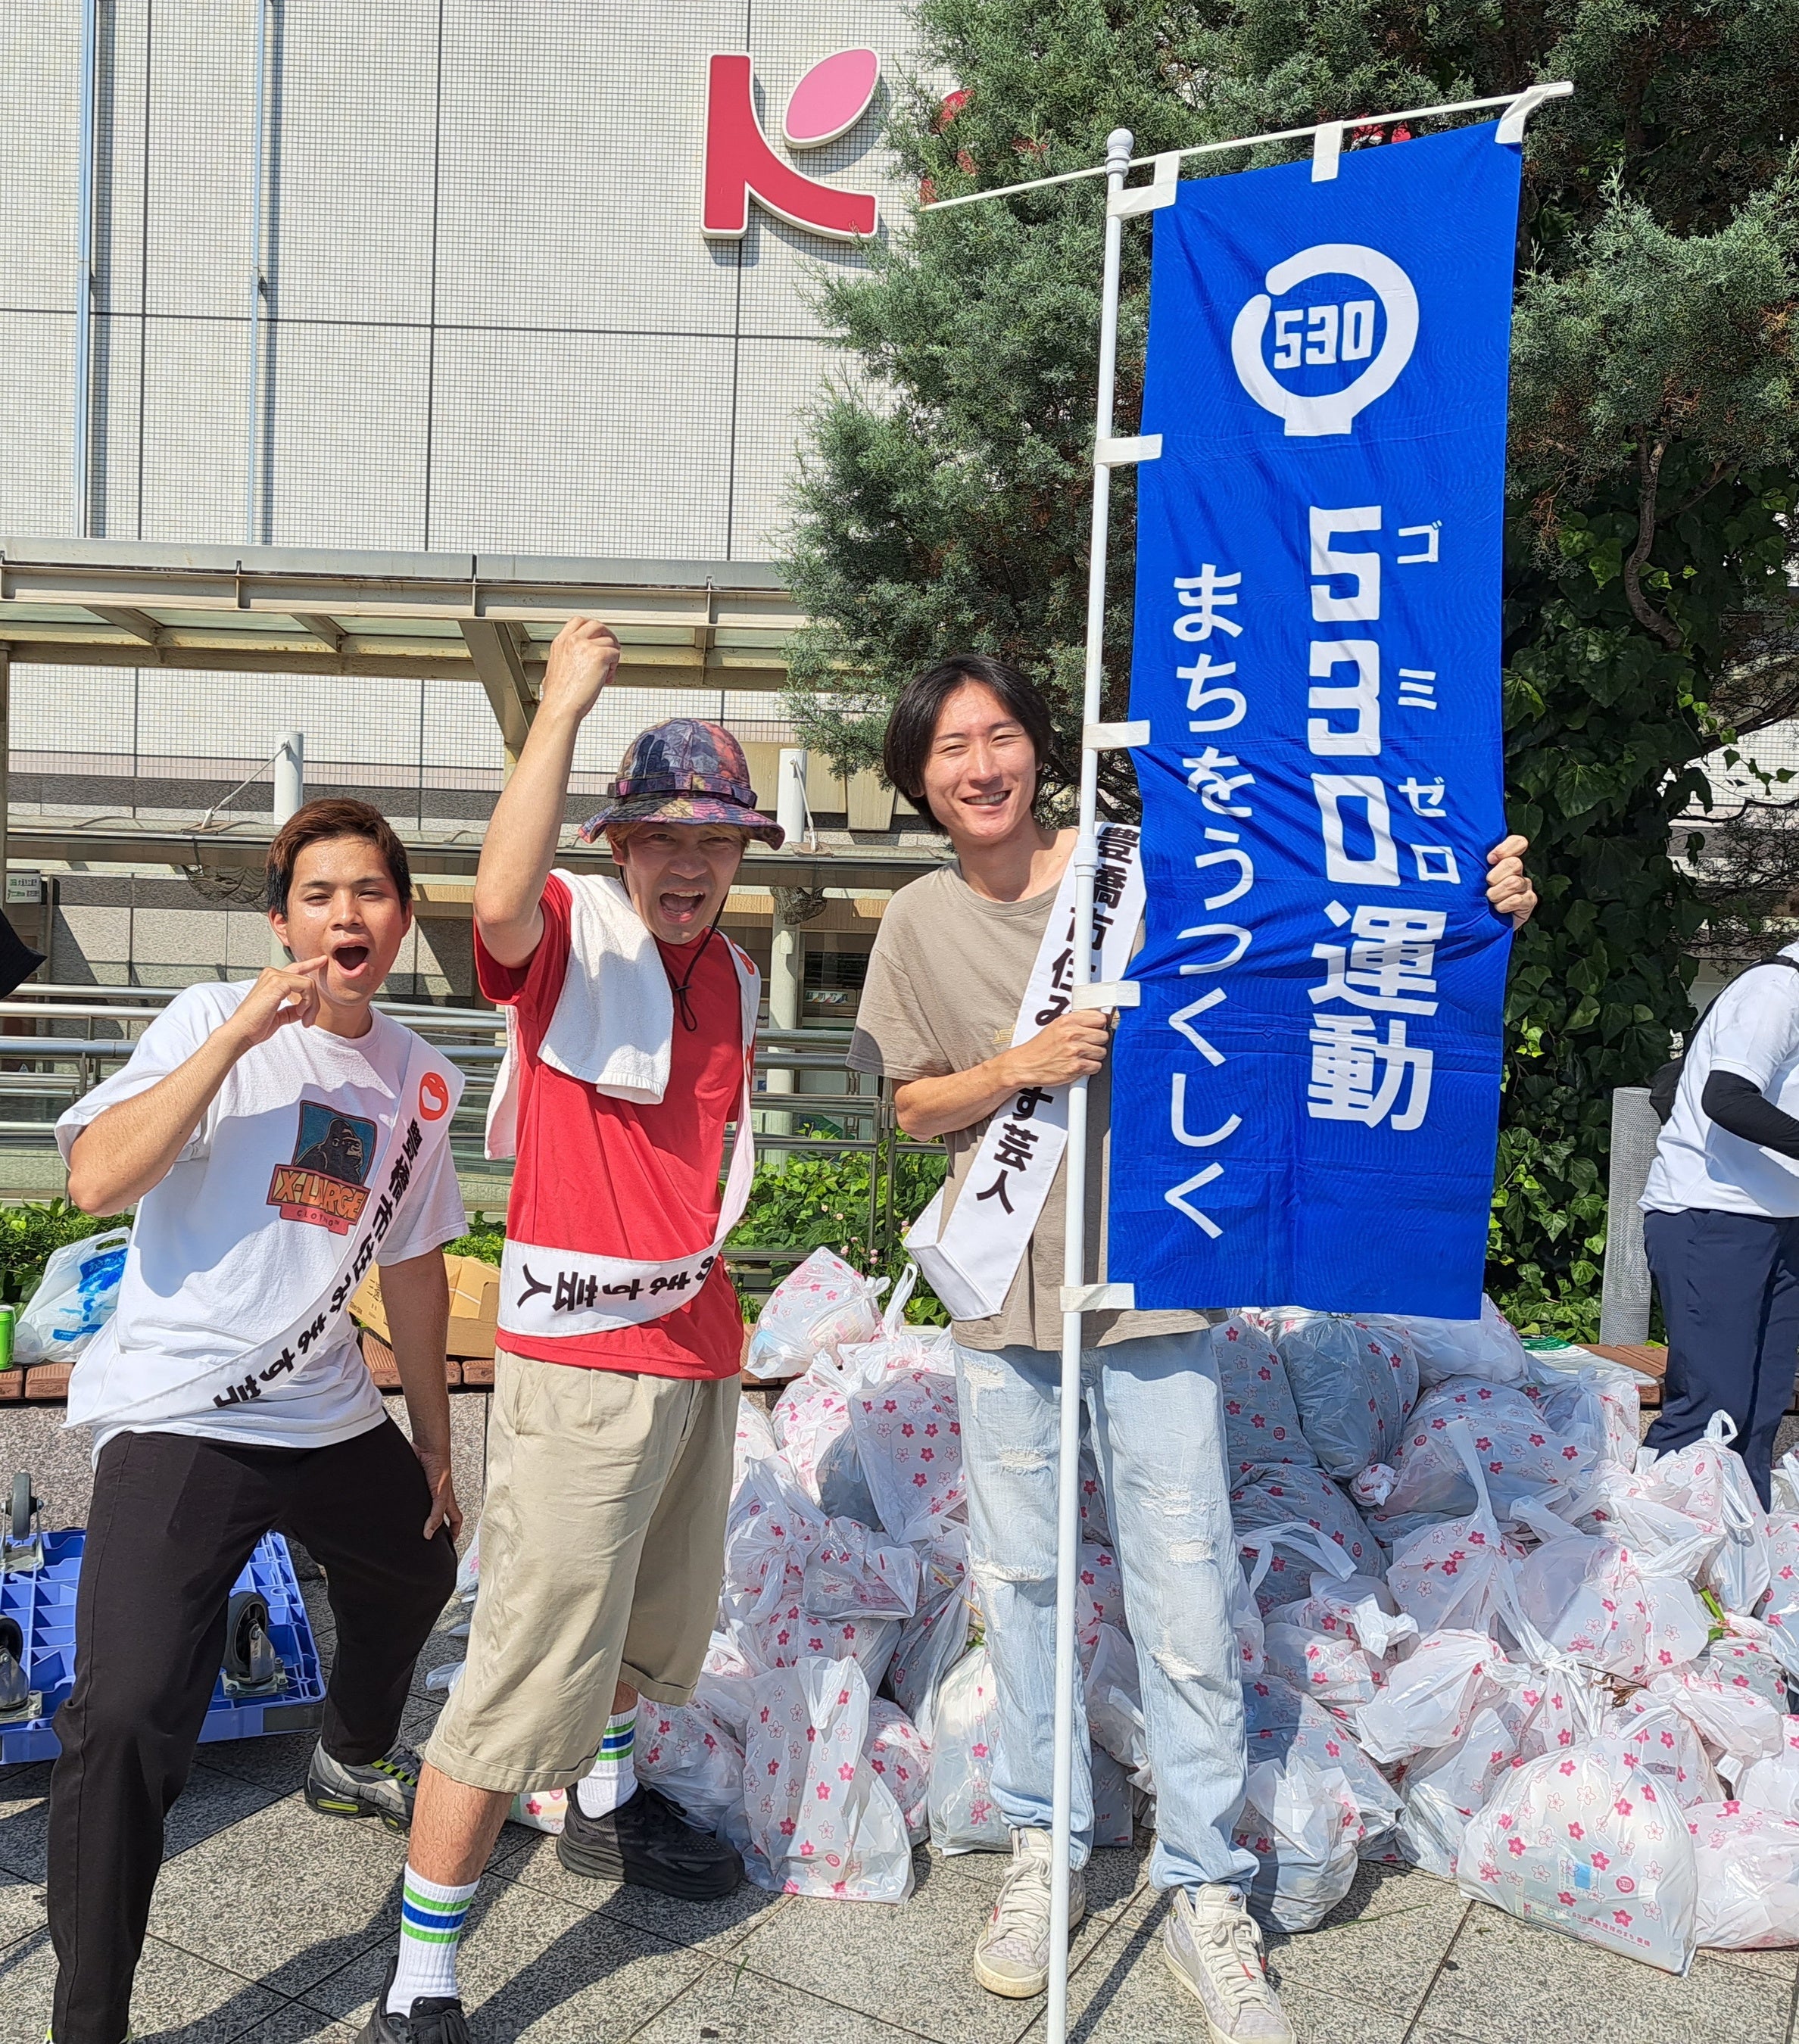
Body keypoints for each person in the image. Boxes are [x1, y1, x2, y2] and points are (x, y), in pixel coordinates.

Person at [847, 655, 1537, 2042]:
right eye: (949, 749)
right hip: (1004, 1294)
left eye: (1001, 737)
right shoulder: (915, 920)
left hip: (1157, 1276)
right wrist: (1018, 1070)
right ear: (918, 778)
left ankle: (1203, 1884)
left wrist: (1473, 902)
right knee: (1024, 1581)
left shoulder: (1140, 873)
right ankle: (1047, 1846)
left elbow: (1309, 942)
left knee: (1183, 1576)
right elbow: (913, 1111)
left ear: (1040, 749)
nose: (980, 765)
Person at [365, 620, 778, 2044]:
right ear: (617, 846)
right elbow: (491, 899)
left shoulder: (728, 973)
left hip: (695, 1340)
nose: (688, 864)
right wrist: (556, 712)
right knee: (525, 1653)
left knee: (643, 1620)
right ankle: (423, 1964)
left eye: (715, 843)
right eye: (660, 837)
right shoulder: (565, 940)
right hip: (581, 1349)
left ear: (741, 857)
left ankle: (601, 1798)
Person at [46, 798, 471, 2044]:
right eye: (322, 894)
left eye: (374, 893)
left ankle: (348, 1750)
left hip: (328, 1406)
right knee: (124, 1714)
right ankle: (90, 2021)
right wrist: (235, 1035)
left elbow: (414, 1269)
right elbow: (95, 1176)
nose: (350, 914)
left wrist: (436, 1441)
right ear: (281, 920)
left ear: (400, 920)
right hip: (185, 1412)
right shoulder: (204, 1023)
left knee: (422, 1557)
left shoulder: (418, 1079)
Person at [1642, 933, 1799, 1503]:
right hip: (1712, 1214)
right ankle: (1650, 1569)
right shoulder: (1776, 988)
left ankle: (1739, 1565)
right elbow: (1727, 1098)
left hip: (1781, 1218)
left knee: (1760, 1412)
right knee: (1711, 1408)